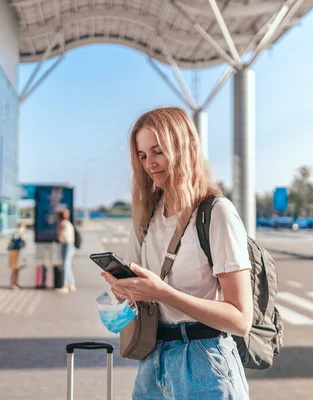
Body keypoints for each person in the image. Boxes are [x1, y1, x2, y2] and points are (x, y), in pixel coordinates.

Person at [102, 107, 253, 399]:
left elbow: (240, 320)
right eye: (142, 155)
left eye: (157, 151)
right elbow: (132, 307)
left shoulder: (215, 213)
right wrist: (124, 291)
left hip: (204, 362)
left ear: (183, 148)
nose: (149, 163)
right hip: (152, 360)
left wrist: (162, 292)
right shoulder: (148, 216)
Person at [56, 208, 76, 293]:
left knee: (65, 264)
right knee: (68, 265)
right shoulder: (68, 223)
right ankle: (71, 284)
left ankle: (65, 286)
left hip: (66, 244)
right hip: (71, 244)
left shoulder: (62, 223)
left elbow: (59, 236)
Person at [7, 222, 26, 291]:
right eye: (23, 228)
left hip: (19, 254)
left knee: (17, 269)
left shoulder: (21, 235)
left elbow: (23, 245)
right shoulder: (16, 234)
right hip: (14, 253)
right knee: (14, 269)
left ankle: (16, 283)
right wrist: (20, 236)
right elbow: (15, 243)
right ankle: (12, 284)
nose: (24, 229)